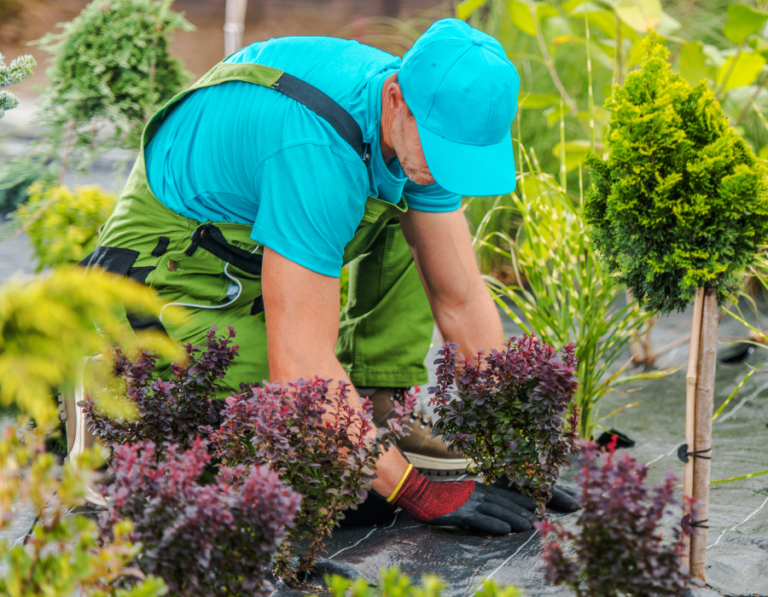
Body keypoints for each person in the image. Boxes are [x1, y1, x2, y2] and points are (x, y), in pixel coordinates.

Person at [82, 18, 578, 534]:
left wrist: (515, 454)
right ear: (394, 100)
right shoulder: (316, 150)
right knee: (301, 485)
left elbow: (460, 298)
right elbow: (302, 366)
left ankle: (378, 404)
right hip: (175, 265)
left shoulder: (420, 133)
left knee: (417, 218)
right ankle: (102, 387)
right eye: (440, 151)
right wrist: (418, 491)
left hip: (258, 240)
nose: (445, 170)